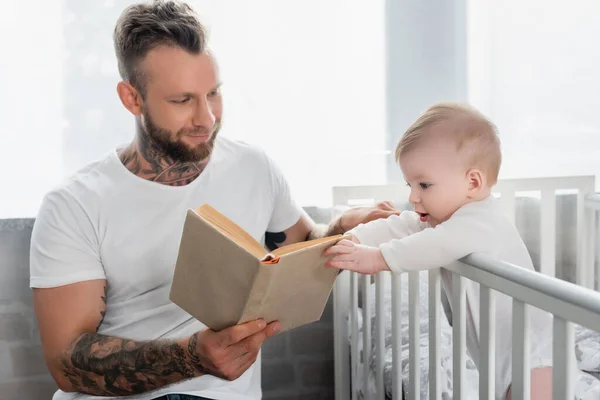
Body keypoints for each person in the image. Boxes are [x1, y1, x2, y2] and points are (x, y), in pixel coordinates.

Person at [29, 1, 400, 399]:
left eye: (213, 93)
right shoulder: (74, 204)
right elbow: (67, 363)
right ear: (131, 98)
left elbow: (298, 252)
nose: (206, 118)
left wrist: (340, 230)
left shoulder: (254, 167)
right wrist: (191, 358)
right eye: (182, 100)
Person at [324, 102, 560, 400]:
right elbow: (402, 225)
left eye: (424, 185)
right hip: (495, 357)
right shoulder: (446, 220)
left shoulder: (480, 221)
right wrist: (354, 238)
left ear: (472, 182)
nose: (412, 196)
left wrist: (378, 258)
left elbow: (435, 245)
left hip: (535, 357)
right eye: (410, 184)